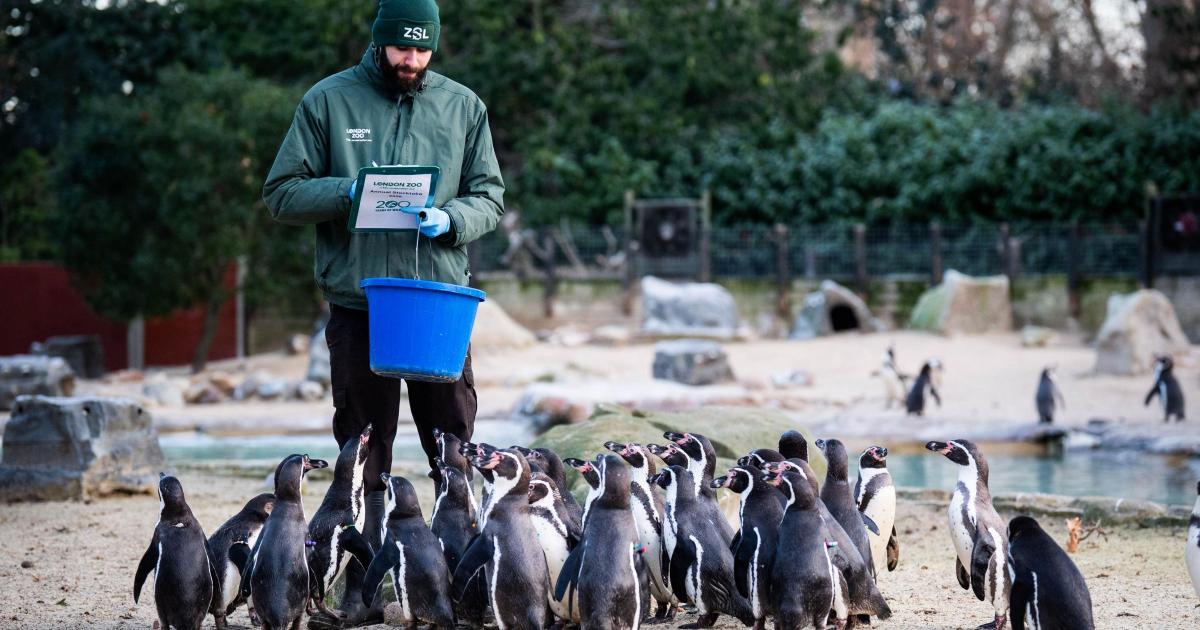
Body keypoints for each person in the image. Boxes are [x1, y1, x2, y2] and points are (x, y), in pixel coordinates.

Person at [262, 0, 503, 626]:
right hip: (358, 302)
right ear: (379, 42)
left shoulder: (463, 106)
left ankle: (465, 583)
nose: (412, 60)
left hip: (435, 303)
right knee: (364, 448)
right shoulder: (328, 101)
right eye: (401, 48)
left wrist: (453, 218)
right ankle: (362, 587)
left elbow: (489, 196)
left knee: (452, 443)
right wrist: (347, 192)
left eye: (422, 50)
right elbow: (281, 194)